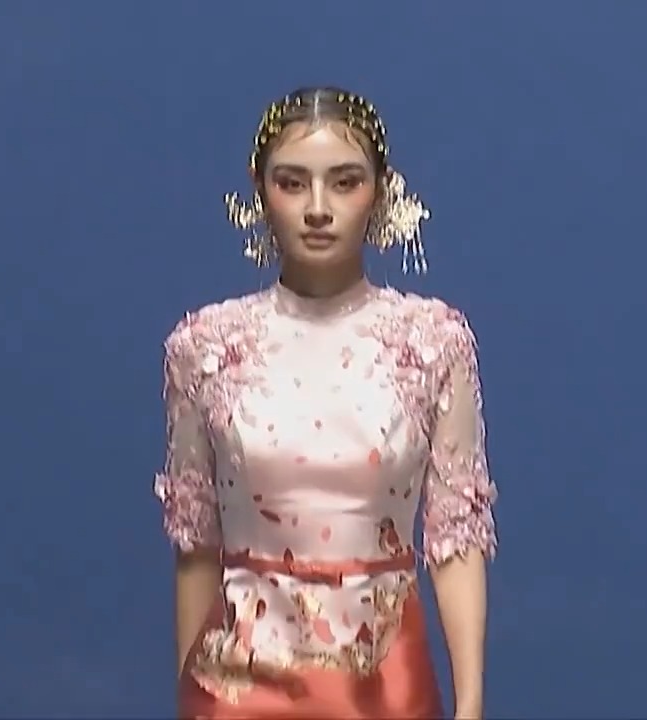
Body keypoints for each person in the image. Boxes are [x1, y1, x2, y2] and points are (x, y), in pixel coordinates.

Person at [154, 87, 498, 719]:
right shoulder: (204, 347)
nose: (318, 209)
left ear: (380, 191)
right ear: (260, 192)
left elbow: (457, 535)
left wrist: (471, 703)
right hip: (236, 686)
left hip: (383, 685)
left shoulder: (433, 342)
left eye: (344, 182)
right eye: (292, 183)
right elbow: (196, 544)